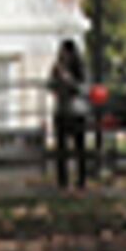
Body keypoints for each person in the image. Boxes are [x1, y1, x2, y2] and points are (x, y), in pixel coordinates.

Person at [48, 39, 95, 190]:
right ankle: (63, 180)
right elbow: (49, 85)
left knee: (79, 148)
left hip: (77, 112)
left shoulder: (81, 70)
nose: (64, 56)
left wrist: (70, 81)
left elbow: (85, 89)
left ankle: (81, 179)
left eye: (66, 53)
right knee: (61, 149)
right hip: (61, 111)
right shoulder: (57, 67)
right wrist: (56, 80)